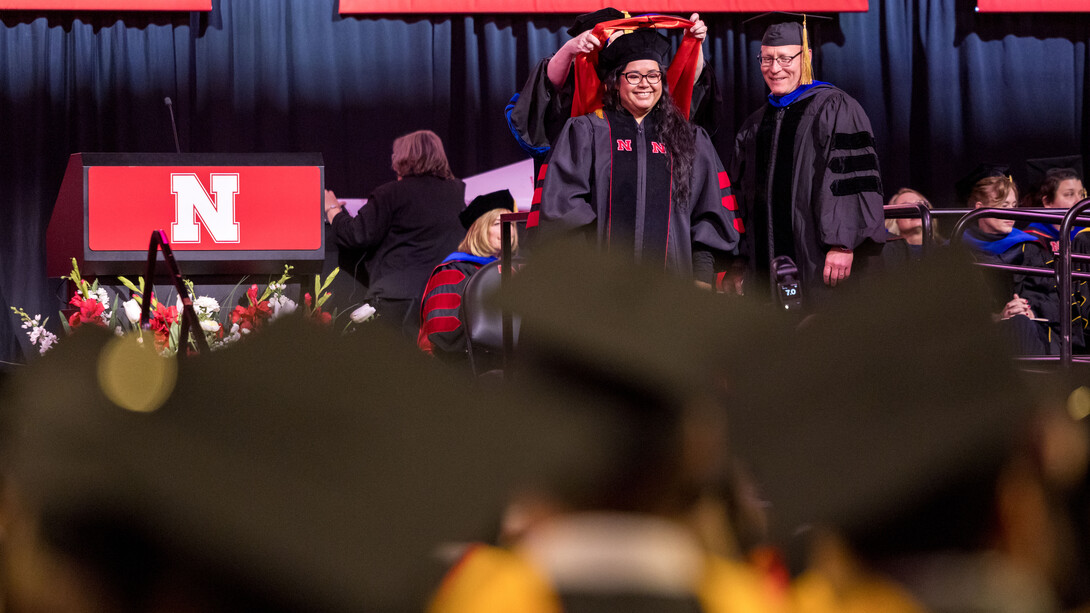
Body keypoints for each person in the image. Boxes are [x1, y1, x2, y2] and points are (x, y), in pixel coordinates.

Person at [529, 27, 742, 285]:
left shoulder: (689, 137)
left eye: (653, 75)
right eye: (633, 76)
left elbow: (707, 213)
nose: (645, 84)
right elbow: (564, 212)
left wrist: (702, 279)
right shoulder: (587, 133)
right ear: (615, 83)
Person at [730, 13, 886, 305]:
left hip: (819, 261)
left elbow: (850, 180)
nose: (775, 68)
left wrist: (842, 243)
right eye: (766, 59)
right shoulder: (754, 125)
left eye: (785, 58)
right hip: (763, 269)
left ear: (806, 56)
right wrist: (742, 258)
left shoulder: (835, 108)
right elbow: (741, 198)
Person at [506, 9, 718, 162]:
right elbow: (550, 87)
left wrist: (694, 43)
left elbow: (682, 87)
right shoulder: (577, 88)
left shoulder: (637, 79)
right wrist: (571, 48)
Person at [325, 130, 465, 340]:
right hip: (443, 295)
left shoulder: (391, 193)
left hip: (398, 299)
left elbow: (356, 234)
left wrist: (332, 208)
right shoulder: (456, 191)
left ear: (405, 157)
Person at [959, 173, 1058, 354]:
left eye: (1013, 206)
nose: (1011, 213)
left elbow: (1053, 298)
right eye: (1003, 206)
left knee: (1021, 324)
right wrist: (997, 317)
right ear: (980, 208)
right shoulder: (957, 249)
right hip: (981, 335)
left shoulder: (1029, 248)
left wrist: (1029, 311)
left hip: (1031, 331)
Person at [417, 190, 517, 364]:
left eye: (512, 224)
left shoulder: (515, 271)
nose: (508, 228)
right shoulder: (453, 271)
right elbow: (442, 335)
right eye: (496, 223)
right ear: (479, 230)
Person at [883, 188, 942, 267]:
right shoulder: (885, 254)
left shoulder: (948, 248)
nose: (917, 209)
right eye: (907, 206)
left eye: (920, 204)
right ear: (895, 219)